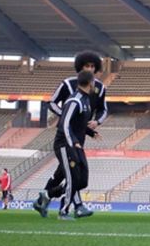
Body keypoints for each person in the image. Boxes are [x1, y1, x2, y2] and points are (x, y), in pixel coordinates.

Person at [35, 51, 107, 214]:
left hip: (81, 135)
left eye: (92, 66)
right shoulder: (68, 84)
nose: (89, 68)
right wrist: (66, 113)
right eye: (86, 66)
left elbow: (103, 110)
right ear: (80, 67)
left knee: (62, 174)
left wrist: (96, 122)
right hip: (66, 136)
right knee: (73, 174)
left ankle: (43, 199)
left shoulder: (100, 88)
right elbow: (52, 103)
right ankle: (75, 206)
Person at [42, 70, 96, 220]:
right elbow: (64, 125)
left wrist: (90, 133)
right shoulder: (75, 100)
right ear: (90, 83)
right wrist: (74, 142)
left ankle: (47, 194)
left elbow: (78, 124)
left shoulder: (85, 100)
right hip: (65, 144)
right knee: (72, 178)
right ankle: (64, 211)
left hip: (75, 145)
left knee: (82, 180)